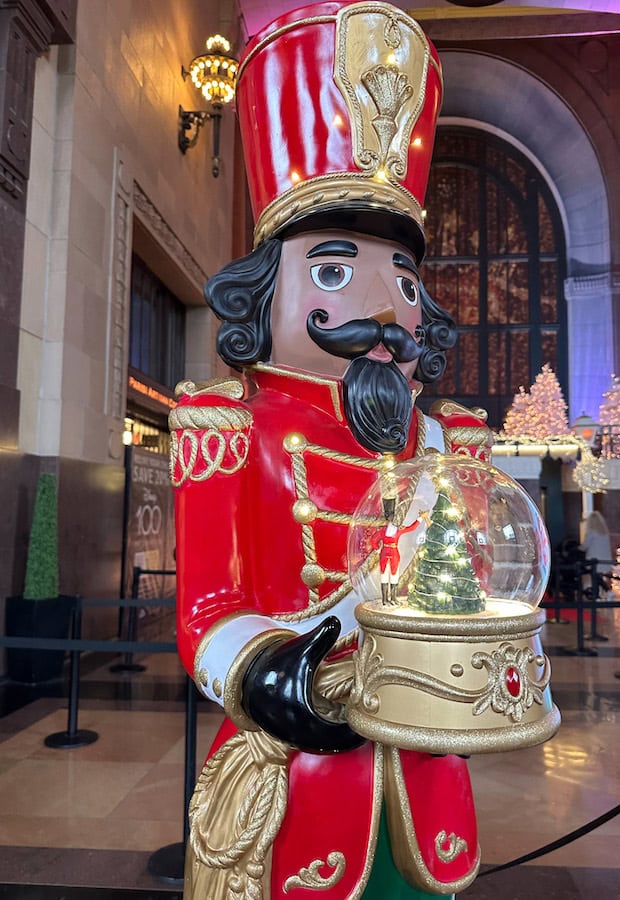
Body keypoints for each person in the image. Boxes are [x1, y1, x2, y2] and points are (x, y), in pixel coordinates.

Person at [170, 4, 492, 898]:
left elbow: (476, 581)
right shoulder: (228, 429)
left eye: (405, 277)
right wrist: (272, 676)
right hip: (299, 774)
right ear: (261, 295)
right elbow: (207, 609)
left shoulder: (448, 443)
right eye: (335, 268)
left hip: (426, 771)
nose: (386, 305)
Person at [580, 510, 613, 597]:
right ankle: (605, 591)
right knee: (598, 577)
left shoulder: (591, 533)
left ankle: (605, 591)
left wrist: (578, 548)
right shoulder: (605, 533)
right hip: (605, 561)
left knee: (595, 576)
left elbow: (585, 546)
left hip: (594, 561)